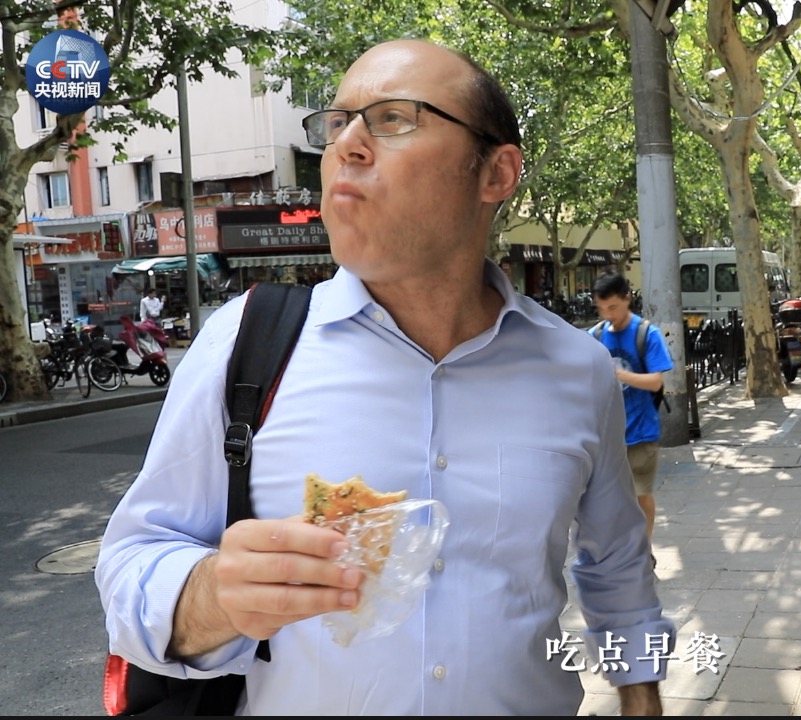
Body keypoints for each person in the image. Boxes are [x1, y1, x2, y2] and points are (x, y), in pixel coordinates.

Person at [96, 39, 670, 716]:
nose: (347, 145)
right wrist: (216, 594)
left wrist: (642, 700)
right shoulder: (245, 343)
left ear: (496, 172)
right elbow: (132, 565)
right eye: (338, 123)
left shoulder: (578, 369)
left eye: (394, 118)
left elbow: (617, 566)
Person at [590, 273, 674, 562]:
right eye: (602, 308)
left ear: (627, 298)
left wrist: (619, 375)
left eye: (613, 307)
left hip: (640, 431)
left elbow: (656, 382)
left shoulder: (646, 334)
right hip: (606, 436)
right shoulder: (595, 336)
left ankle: (643, 550)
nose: (607, 314)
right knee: (608, 500)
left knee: (640, 496)